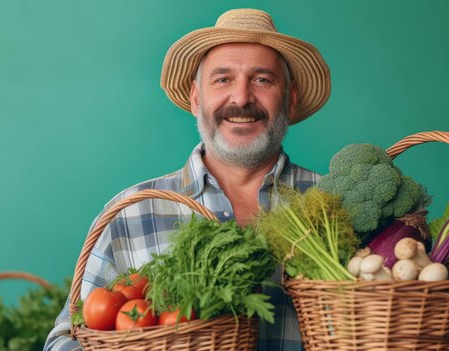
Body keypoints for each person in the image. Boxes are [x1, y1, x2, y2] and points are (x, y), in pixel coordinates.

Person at [44, 8, 330, 351]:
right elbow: (66, 340)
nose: (241, 98)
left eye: (262, 79)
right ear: (196, 99)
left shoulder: (334, 205)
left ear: (291, 99)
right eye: (222, 79)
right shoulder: (130, 214)